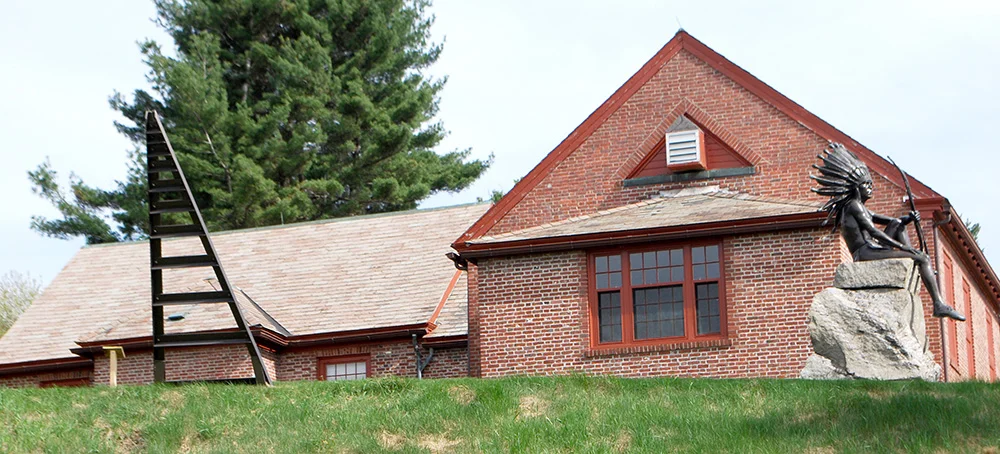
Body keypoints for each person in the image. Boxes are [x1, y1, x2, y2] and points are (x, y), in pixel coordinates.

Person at [811, 143, 965, 321]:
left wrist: (908, 218)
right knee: (922, 257)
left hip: (872, 248)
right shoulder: (854, 207)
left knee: (897, 223)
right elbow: (874, 232)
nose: (870, 189)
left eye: (871, 184)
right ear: (856, 188)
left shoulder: (862, 208)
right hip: (864, 252)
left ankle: (913, 263)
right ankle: (938, 303)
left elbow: (890, 221)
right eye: (866, 185)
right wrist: (903, 248)